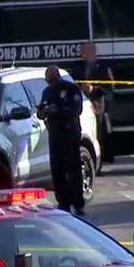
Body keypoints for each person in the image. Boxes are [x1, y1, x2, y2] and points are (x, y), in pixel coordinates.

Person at [37, 65, 85, 215]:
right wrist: (44, 112)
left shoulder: (71, 89)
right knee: (57, 171)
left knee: (73, 170)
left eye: (51, 79)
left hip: (69, 135)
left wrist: (58, 111)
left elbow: (76, 109)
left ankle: (78, 203)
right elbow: (40, 112)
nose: (49, 83)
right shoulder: (47, 92)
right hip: (55, 136)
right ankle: (63, 202)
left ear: (57, 76)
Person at [80, 42, 115, 163]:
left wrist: (94, 88)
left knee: (100, 131)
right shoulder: (79, 66)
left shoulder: (103, 66)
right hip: (83, 102)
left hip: (98, 103)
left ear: (92, 52)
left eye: (84, 51)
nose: (81, 54)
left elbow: (110, 87)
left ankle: (102, 158)